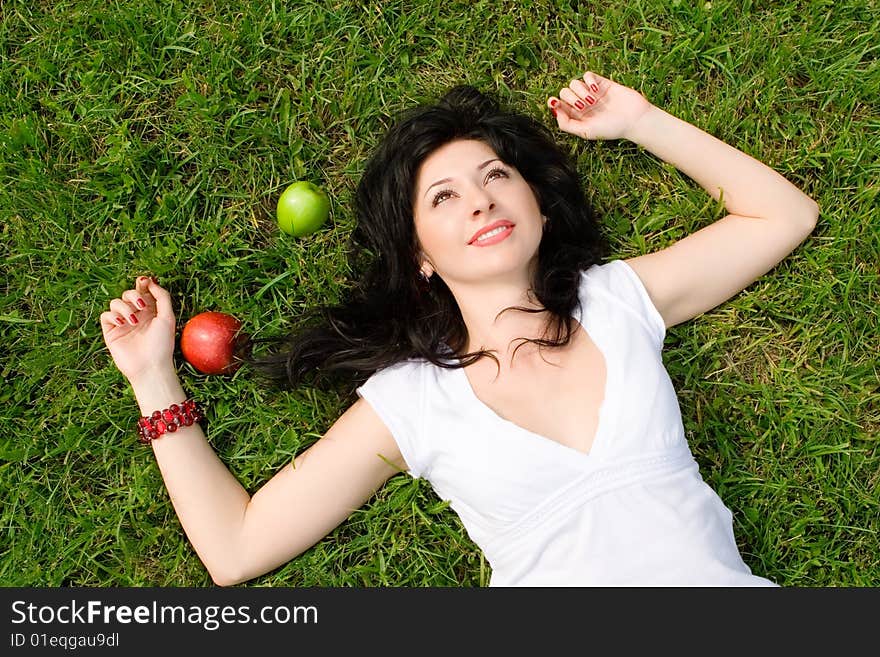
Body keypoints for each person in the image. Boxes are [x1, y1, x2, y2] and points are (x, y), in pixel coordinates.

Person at [100, 71, 819, 586]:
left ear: (536, 204)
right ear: (419, 257)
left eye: (497, 176)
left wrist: (639, 122)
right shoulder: (412, 400)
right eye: (444, 196)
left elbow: (785, 216)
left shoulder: (619, 300)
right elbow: (236, 547)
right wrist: (151, 376)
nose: (481, 200)